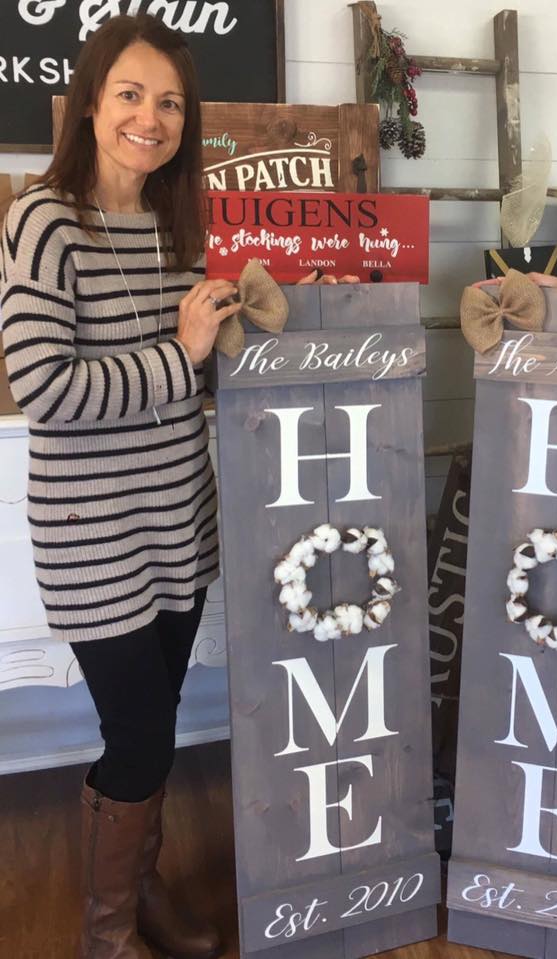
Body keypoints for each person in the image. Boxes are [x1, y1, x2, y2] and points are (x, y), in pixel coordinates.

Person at [0, 15, 240, 959]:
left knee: (155, 727)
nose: (151, 117)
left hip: (179, 519)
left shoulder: (180, 224)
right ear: (91, 103)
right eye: (131, 94)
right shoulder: (43, 220)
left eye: (171, 102)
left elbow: (200, 362)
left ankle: (137, 891)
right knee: (138, 735)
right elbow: (46, 388)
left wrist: (264, 316)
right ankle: (107, 932)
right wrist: (181, 354)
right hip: (95, 534)